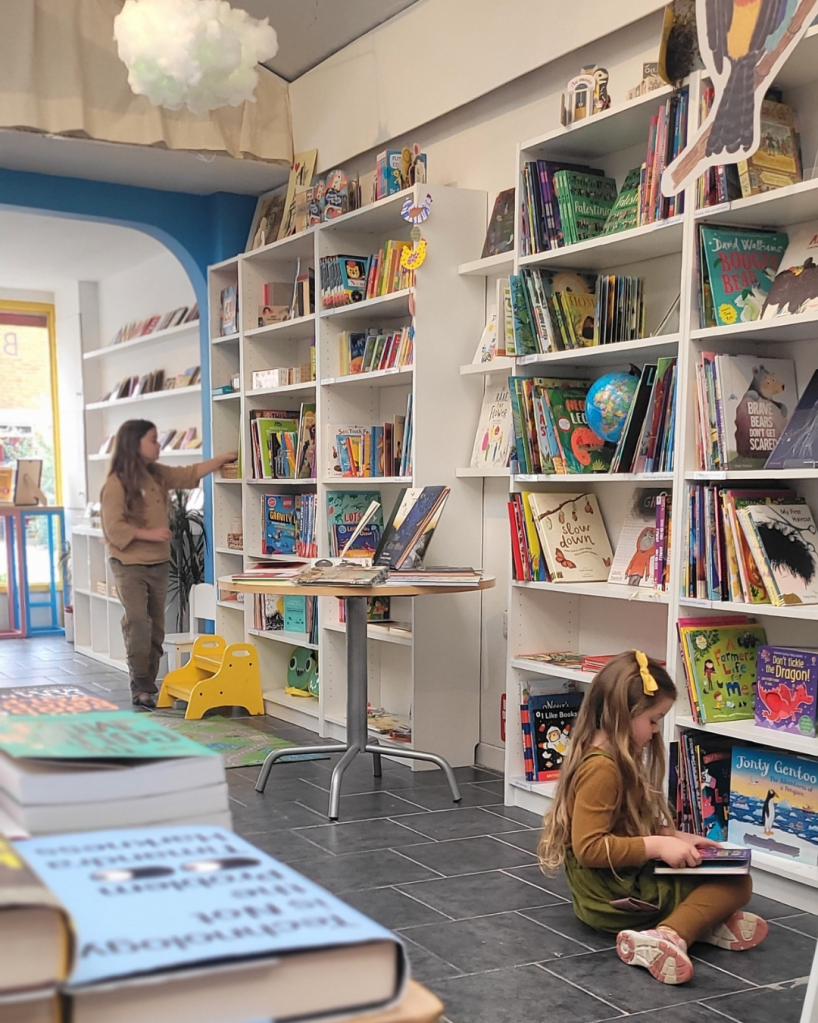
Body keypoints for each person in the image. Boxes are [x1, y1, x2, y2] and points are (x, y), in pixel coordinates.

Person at [538, 650, 767, 985]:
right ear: (623, 714)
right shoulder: (602, 769)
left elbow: (621, 827)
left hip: (616, 885)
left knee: (720, 869)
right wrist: (658, 844)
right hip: (612, 898)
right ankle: (670, 935)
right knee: (735, 882)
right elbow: (589, 848)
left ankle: (696, 923)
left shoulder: (606, 755)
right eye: (654, 720)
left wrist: (673, 836)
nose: (657, 731)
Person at [100, 419, 237, 709]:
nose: (158, 444)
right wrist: (148, 533)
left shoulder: (157, 474)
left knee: (156, 628)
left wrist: (222, 459)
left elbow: (188, 474)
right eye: (152, 439)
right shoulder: (116, 484)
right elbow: (113, 528)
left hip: (158, 562)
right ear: (134, 444)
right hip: (129, 564)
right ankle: (141, 685)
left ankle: (146, 685)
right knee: (138, 623)